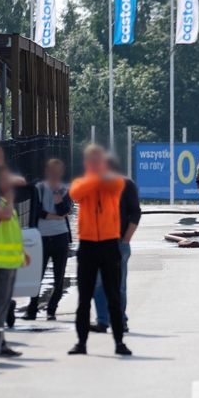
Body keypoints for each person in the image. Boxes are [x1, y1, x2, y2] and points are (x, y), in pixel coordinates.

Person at [67, 144, 131, 356]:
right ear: (86, 163)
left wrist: (99, 178)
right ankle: (81, 343)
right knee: (84, 298)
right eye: (91, 160)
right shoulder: (81, 183)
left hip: (109, 244)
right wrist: (95, 179)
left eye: (98, 160)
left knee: (113, 295)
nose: (95, 163)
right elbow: (75, 193)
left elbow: (116, 186)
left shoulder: (114, 181)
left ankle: (119, 342)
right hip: (87, 245)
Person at [92, 156, 142, 333]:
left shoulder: (126, 185)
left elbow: (135, 213)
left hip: (118, 243)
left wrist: (126, 239)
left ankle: (120, 320)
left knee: (118, 285)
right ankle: (103, 321)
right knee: (98, 284)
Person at [23, 158, 73, 321]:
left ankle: (52, 309)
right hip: (42, 237)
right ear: (47, 171)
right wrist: (54, 216)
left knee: (59, 276)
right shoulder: (39, 188)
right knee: (37, 275)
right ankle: (32, 309)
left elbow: (65, 210)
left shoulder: (64, 189)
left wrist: (58, 198)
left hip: (61, 236)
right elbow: (37, 211)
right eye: (52, 170)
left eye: (57, 171)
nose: (54, 174)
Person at [0, 166, 26, 358]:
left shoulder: (2, 200)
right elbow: (3, 215)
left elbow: (11, 230)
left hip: (8, 262)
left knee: (2, 306)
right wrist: (10, 197)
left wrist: (21, 252)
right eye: (5, 179)